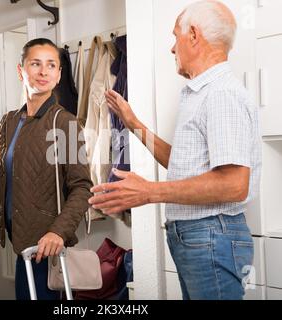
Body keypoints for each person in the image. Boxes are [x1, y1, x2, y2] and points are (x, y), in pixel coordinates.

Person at [89, 0, 262, 300]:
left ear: (193, 35)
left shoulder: (221, 94)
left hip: (211, 237)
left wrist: (149, 192)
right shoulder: (203, 93)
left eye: (175, 36)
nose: (172, 48)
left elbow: (234, 183)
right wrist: (134, 125)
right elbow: (187, 166)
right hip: (200, 238)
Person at [0, 38, 92, 300]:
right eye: (35, 64)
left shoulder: (66, 123)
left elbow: (83, 188)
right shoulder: (8, 122)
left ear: (59, 75)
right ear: (20, 70)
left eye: (51, 65)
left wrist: (58, 232)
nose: (43, 72)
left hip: (47, 248)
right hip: (21, 245)